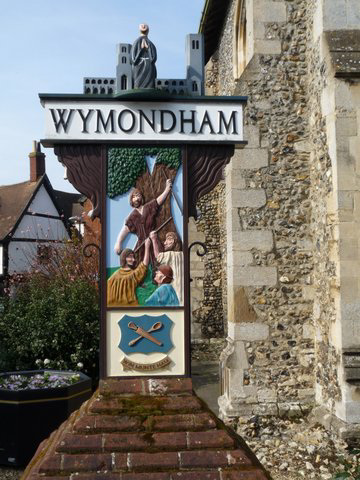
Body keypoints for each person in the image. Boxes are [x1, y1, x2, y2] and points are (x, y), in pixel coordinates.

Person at [114, 179, 172, 261]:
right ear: (131, 200)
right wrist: (118, 243)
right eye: (133, 197)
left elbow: (158, 201)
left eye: (137, 195)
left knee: (159, 262)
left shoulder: (148, 207)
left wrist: (167, 189)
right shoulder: (132, 217)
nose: (136, 198)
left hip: (154, 240)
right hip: (141, 245)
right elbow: (125, 229)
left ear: (141, 197)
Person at [107, 238, 151, 307]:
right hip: (130, 308)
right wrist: (147, 247)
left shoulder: (112, 278)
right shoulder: (131, 275)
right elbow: (144, 265)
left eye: (133, 257)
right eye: (130, 257)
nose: (133, 260)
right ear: (124, 258)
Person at [150, 230, 184, 304]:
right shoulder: (183, 255)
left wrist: (153, 239)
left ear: (173, 241)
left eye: (168, 239)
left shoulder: (171, 255)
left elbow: (158, 256)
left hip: (174, 289)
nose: (165, 243)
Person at [131, 24, 157, 89]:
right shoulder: (137, 43)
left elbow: (153, 59)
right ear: (148, 31)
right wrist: (142, 50)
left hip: (149, 70)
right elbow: (133, 60)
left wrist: (147, 49)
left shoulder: (150, 44)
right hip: (138, 71)